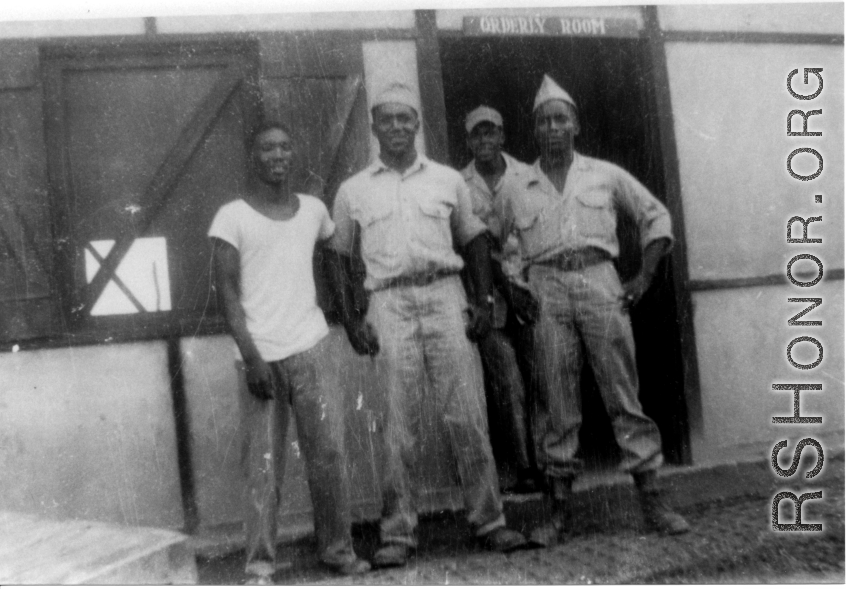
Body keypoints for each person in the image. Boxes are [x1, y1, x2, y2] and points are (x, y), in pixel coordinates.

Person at [327, 83, 527, 568]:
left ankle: (490, 521)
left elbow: (475, 240)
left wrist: (481, 300)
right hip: (388, 302)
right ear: (374, 128)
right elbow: (335, 256)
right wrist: (353, 320)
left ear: (417, 125)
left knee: (468, 414)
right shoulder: (354, 189)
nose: (397, 127)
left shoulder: (445, 180)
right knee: (399, 424)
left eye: (405, 119)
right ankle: (398, 533)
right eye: (387, 120)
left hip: (444, 295)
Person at [497, 75, 691, 547]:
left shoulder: (605, 174)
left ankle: (651, 499)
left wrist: (643, 276)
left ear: (576, 125)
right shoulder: (516, 185)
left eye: (561, 119)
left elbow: (656, 217)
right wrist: (514, 284)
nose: (553, 128)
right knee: (556, 402)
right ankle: (558, 512)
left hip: (599, 279)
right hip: (546, 289)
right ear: (534, 130)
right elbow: (496, 242)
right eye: (544, 121)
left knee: (622, 393)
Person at [209, 122, 370, 584]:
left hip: (313, 347)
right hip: (262, 354)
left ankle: (338, 551)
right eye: (266, 148)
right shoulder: (231, 216)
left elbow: (339, 260)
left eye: (284, 146)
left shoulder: (315, 211)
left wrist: (353, 313)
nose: (277, 155)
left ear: (292, 154)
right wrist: (252, 356)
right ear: (253, 158)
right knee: (263, 468)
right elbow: (227, 293)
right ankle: (260, 566)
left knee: (329, 455)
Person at [460, 105, 541, 494]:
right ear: (468, 140)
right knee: (507, 381)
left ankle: (549, 462)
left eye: (491, 133)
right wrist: (500, 288)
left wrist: (523, 287)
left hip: (530, 289)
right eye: (477, 135)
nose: (484, 141)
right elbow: (470, 246)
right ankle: (524, 467)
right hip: (488, 294)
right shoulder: (459, 184)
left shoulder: (528, 176)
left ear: (503, 136)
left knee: (541, 373)